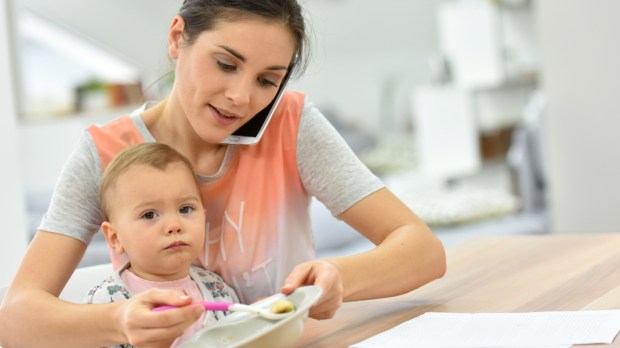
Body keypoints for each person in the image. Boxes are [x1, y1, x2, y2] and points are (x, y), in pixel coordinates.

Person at [0, 0, 446, 346]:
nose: (240, 97)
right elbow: (16, 319)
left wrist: (338, 278)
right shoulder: (104, 153)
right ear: (178, 38)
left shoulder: (290, 125)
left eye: (267, 80)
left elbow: (424, 251)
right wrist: (118, 320)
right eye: (226, 64)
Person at [85, 142, 239, 347]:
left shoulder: (218, 289)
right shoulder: (106, 303)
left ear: (203, 216)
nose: (174, 226)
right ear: (115, 238)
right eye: (149, 214)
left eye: (185, 209)